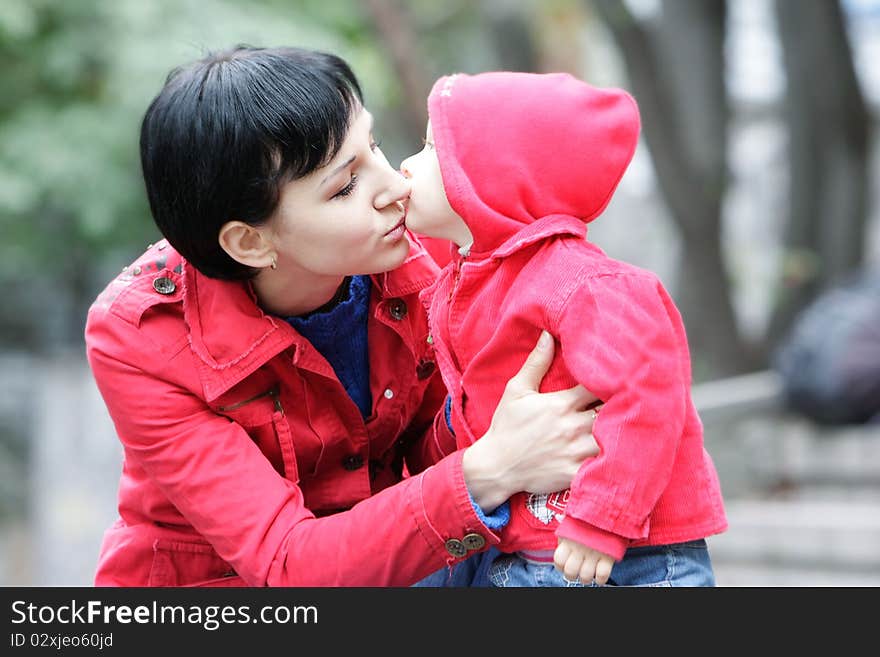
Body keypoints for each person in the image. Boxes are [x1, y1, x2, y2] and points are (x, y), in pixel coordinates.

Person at [84, 47, 603, 587]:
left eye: (374, 145)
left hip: (399, 564)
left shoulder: (421, 251)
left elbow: (429, 446)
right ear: (249, 241)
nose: (397, 188)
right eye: (346, 185)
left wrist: (488, 414)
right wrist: (493, 467)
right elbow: (287, 562)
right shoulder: (142, 336)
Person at [399, 71, 728, 587]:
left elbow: (647, 395)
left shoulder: (583, 284)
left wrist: (603, 516)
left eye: (429, 147)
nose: (406, 165)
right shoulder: (471, 281)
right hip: (528, 549)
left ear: (491, 174)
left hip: (624, 556)